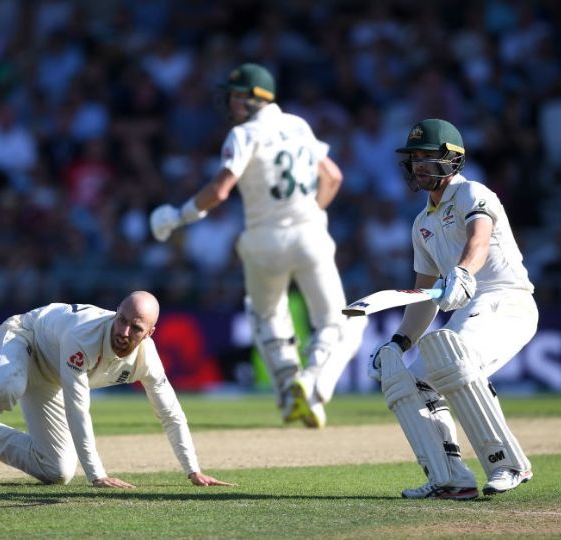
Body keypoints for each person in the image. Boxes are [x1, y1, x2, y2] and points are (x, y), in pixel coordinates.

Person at [149, 63, 366, 428]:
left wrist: (179, 215)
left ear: (253, 99)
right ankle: (311, 382)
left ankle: (287, 387)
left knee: (265, 315)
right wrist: (312, 210)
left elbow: (219, 190)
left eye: (235, 95)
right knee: (335, 322)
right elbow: (333, 175)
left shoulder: (243, 134)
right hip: (309, 233)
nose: (230, 103)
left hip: (263, 239)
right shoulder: (299, 124)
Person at [368, 118, 537, 499]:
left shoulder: (472, 193)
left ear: (452, 159)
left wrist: (461, 272)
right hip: (469, 308)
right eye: (414, 159)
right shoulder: (421, 223)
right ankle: (451, 478)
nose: (418, 167)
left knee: (450, 357)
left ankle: (508, 463)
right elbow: (423, 294)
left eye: (427, 158)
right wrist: (399, 342)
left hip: (506, 300)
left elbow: (479, 238)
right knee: (411, 381)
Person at [0, 291, 233, 488]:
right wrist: (97, 474)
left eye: (135, 328)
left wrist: (193, 470)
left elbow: (171, 415)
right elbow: (78, 409)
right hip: (22, 338)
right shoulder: (84, 336)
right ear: (116, 312)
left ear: (150, 332)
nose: (123, 332)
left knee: (56, 470)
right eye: (121, 319)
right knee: (8, 386)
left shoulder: (147, 359)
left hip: (50, 377)